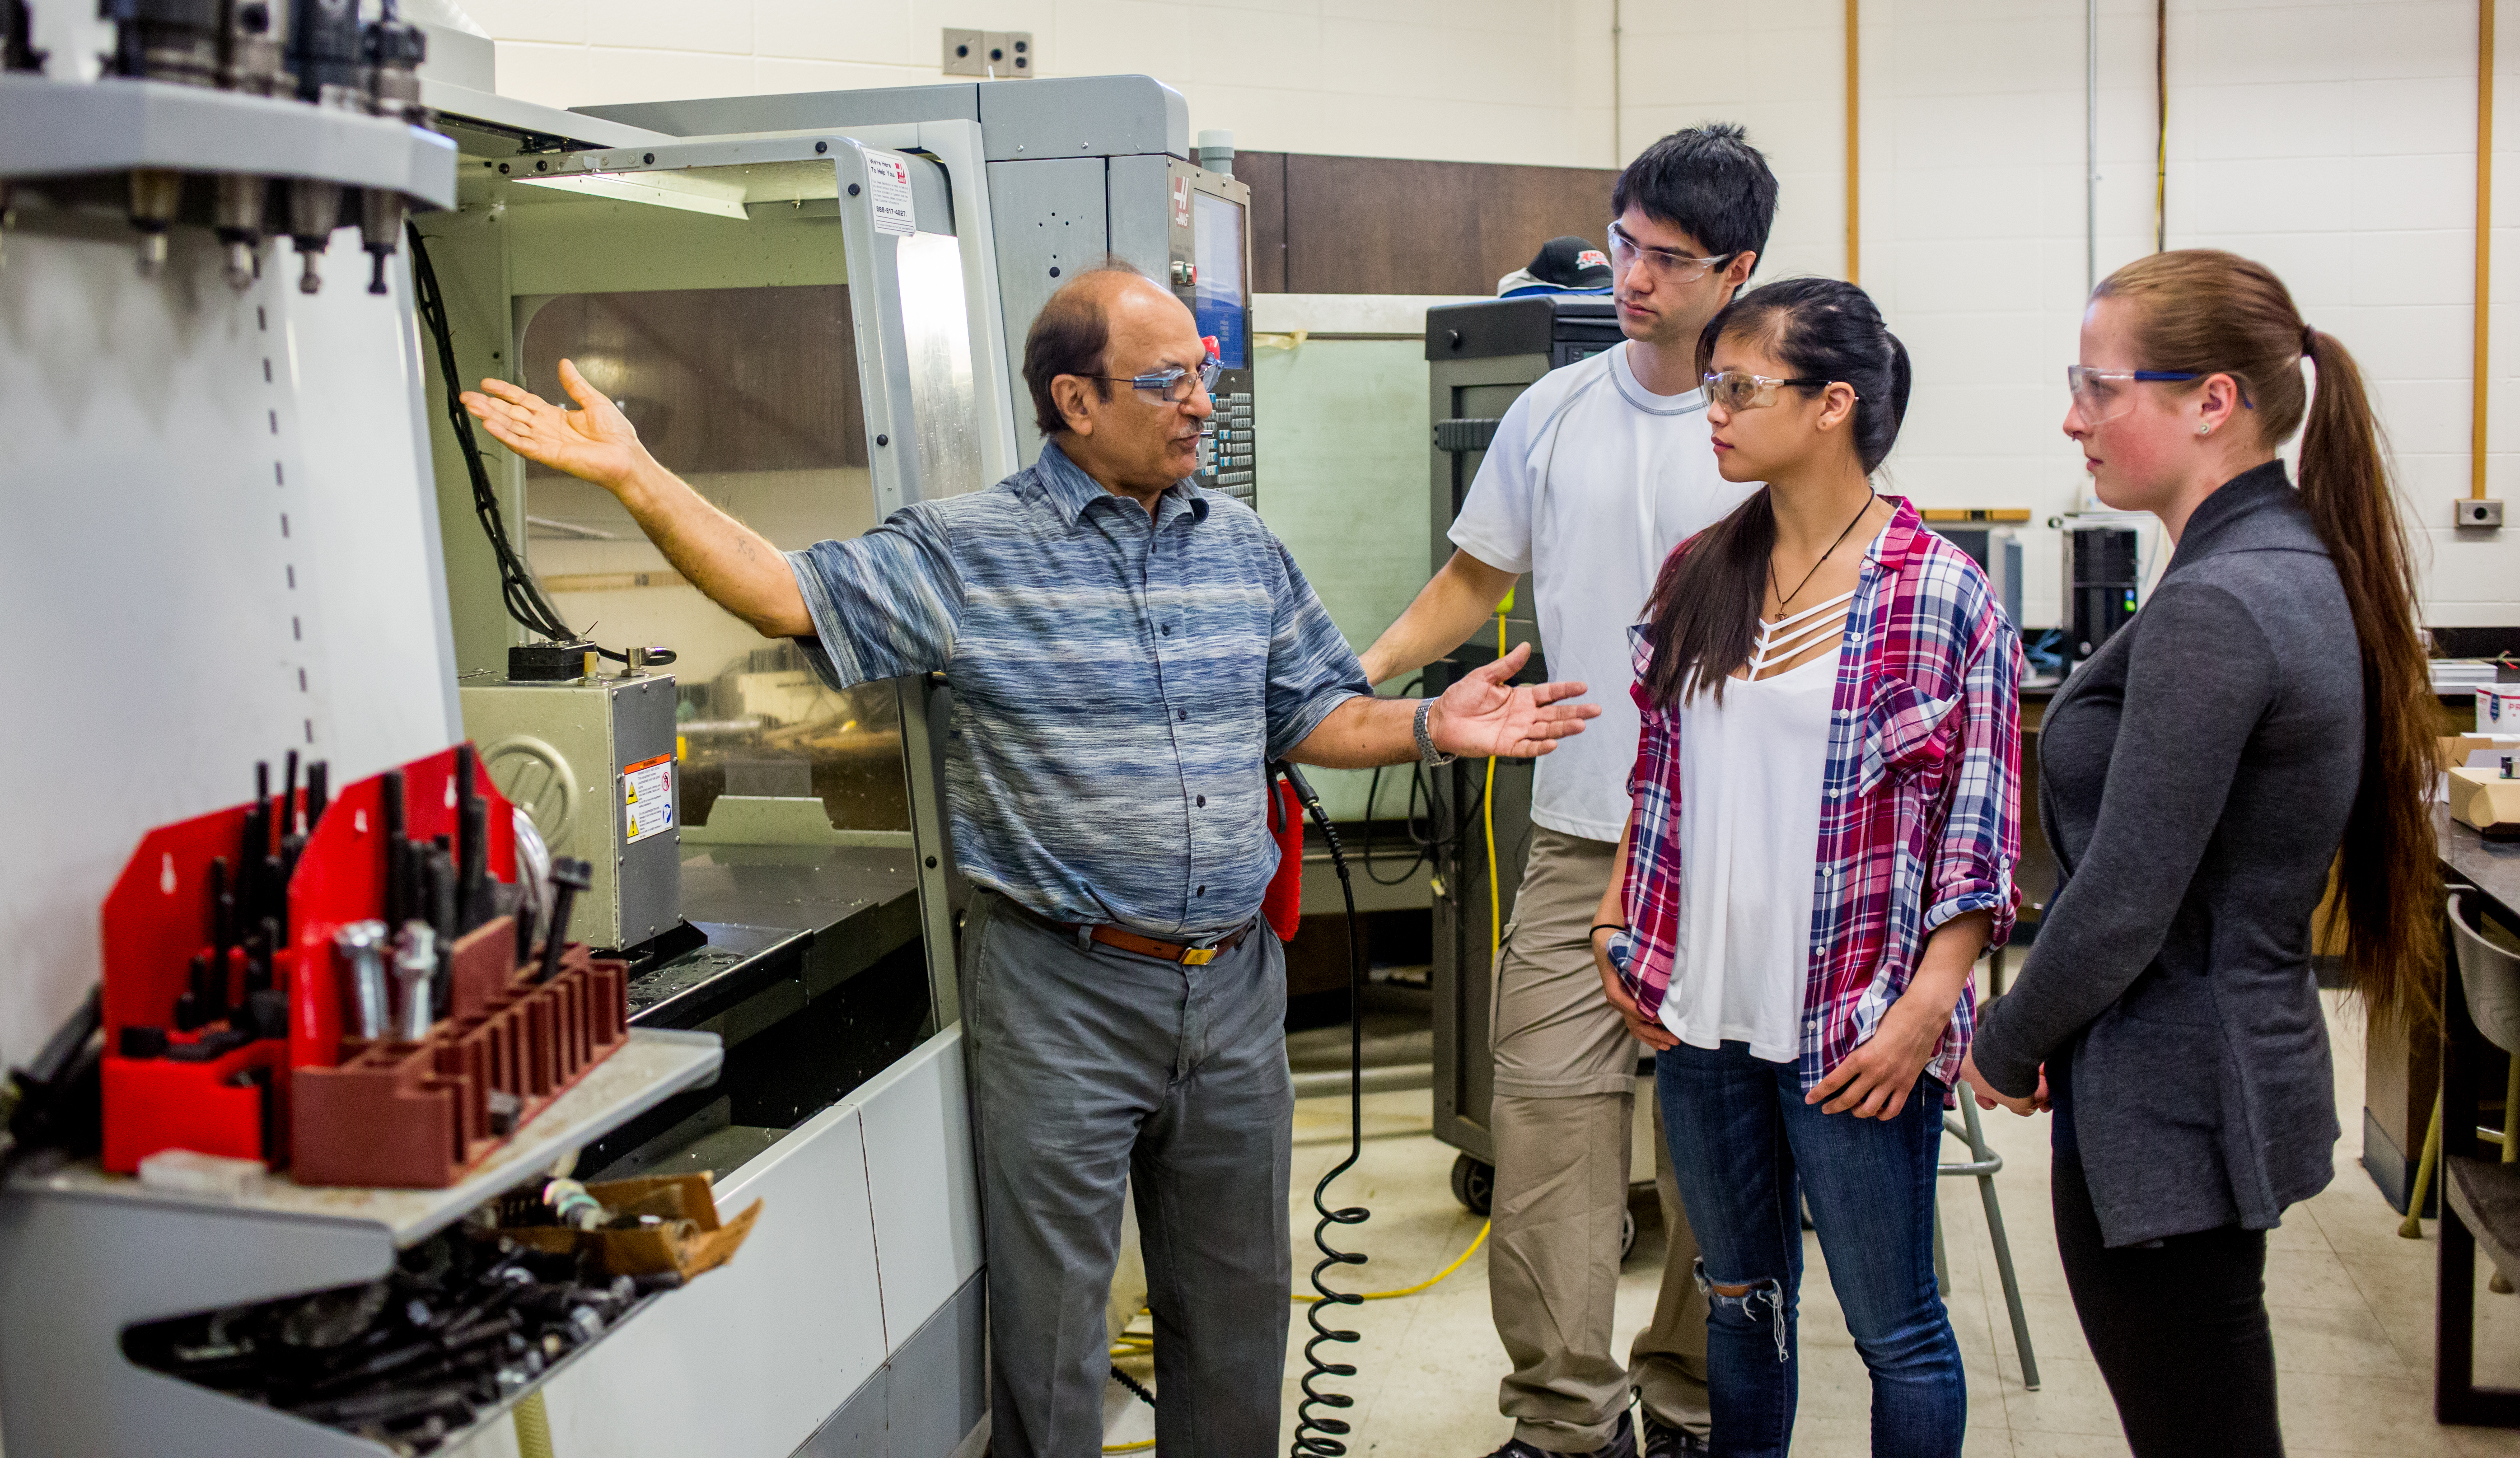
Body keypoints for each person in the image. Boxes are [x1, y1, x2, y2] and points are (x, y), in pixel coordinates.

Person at [459, 262, 1598, 1458]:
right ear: (1076, 399)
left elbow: (1310, 713)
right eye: (1168, 381)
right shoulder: (966, 552)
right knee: (1053, 1339)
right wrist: (639, 477)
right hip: (1063, 992)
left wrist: (1432, 725)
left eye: (1203, 374)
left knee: (1240, 1319)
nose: (1201, 402)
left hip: (1233, 988)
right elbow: (785, 595)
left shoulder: (1242, 548)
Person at [1963, 249, 2437, 1458]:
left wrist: (2005, 1039)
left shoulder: (2225, 602)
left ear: (2212, 400)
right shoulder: (2273, 562)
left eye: (2099, 385)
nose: (2074, 416)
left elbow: (2126, 897)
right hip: (2209, 1078)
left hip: (2172, 1103)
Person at [1361, 125, 1781, 1458]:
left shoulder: (1772, 421)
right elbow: (1470, 585)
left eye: (1668, 259)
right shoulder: (1551, 414)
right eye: (1623, 245)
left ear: (1739, 269)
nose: (1634, 278)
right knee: (1545, 1127)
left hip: (1742, 852)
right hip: (1581, 840)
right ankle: (1565, 1423)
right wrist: (1342, 683)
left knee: (1726, 1153)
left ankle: (1695, 1402)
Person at [1592, 278, 2021, 1458]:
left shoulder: (1942, 597)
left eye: (1738, 387)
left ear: (1834, 404)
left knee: (1899, 1333)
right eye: (1710, 386)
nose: (1713, 410)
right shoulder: (1699, 574)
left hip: (1857, 1029)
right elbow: (1659, 773)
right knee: (1741, 1304)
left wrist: (1923, 1016)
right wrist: (1617, 915)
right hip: (1701, 1022)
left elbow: (1977, 848)